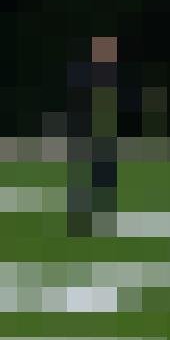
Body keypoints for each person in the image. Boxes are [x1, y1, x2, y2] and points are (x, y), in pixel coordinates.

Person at [69, 33, 123, 237]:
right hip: (85, 140)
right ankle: (80, 224)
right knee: (82, 181)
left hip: (105, 141)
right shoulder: (82, 77)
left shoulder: (110, 79)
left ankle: (102, 224)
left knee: (104, 182)